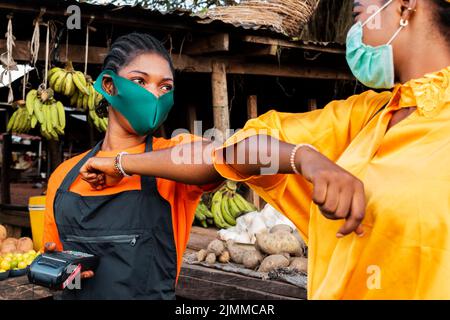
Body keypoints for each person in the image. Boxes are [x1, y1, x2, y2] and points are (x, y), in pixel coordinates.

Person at [80, 0, 450, 299]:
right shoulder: (366, 116)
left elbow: (207, 156)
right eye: (140, 82)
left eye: (359, 13)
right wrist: (303, 157)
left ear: (405, 5)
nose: (354, 26)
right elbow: (238, 148)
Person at [43, 32, 223, 300]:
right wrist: (64, 275)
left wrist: (121, 164)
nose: (154, 95)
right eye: (139, 81)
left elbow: (219, 158)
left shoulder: (172, 158)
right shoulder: (64, 176)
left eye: (165, 87)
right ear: (109, 85)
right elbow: (60, 266)